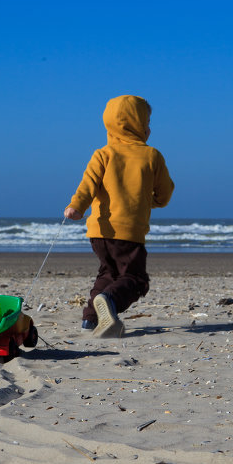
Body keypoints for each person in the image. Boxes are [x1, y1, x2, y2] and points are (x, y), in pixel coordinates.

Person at [64, 94, 174, 337]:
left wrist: (76, 207)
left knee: (108, 273)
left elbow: (87, 185)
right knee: (135, 278)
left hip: (99, 233)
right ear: (140, 127)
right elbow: (165, 194)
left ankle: (91, 319)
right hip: (129, 233)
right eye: (146, 123)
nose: (148, 129)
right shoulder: (151, 156)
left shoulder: (103, 154)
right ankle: (109, 301)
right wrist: (149, 201)